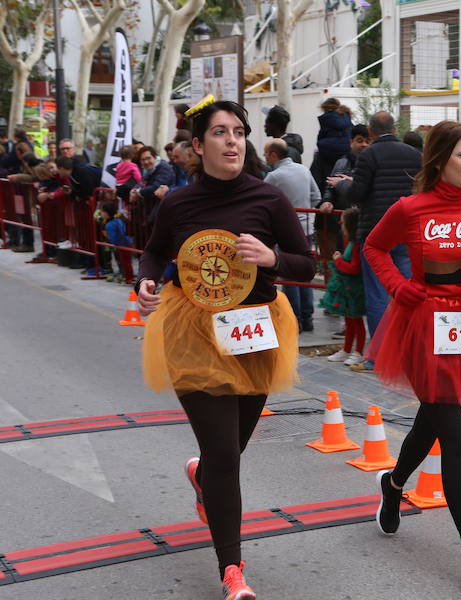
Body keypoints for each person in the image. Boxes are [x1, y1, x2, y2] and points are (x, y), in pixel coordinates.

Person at [135, 99, 316, 599]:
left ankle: (202, 477)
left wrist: (272, 257)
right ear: (198, 145)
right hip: (193, 331)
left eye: (239, 131)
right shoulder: (178, 203)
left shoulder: (268, 199)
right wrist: (145, 281)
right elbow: (152, 251)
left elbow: (308, 264)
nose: (233, 141)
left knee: (226, 452)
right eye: (220, 132)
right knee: (224, 455)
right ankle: (232, 571)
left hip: (255, 331)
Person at [366, 120, 461, 582]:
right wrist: (396, 284)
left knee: (433, 419)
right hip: (422, 326)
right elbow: (374, 246)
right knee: (457, 437)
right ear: (438, 160)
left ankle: (393, 486)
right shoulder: (410, 208)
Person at [347, 111, 422, 371]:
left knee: (378, 294)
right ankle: (411, 348)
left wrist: (344, 186)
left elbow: (357, 193)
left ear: (371, 131)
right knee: (409, 292)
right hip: (409, 232)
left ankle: (379, 356)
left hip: (377, 234)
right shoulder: (415, 155)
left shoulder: (368, 155)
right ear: (394, 127)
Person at [263, 137, 321, 332]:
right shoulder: (304, 170)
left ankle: (294, 317)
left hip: (285, 231)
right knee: (305, 272)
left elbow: (262, 202)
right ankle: (308, 316)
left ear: (273, 154)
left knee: (289, 274)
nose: (264, 158)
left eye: (266, 154)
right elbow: (317, 196)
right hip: (306, 228)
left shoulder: (274, 177)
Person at [317, 123, 371, 266]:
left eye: (367, 141)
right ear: (351, 142)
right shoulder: (341, 163)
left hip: (366, 225)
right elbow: (331, 186)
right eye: (360, 141)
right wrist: (327, 201)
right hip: (344, 225)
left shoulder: (374, 163)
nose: (364, 145)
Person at [319, 207, 366, 364]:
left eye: (343, 222)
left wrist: (338, 260)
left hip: (353, 290)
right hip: (347, 289)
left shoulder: (356, 245)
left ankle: (358, 351)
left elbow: (354, 268)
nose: (340, 224)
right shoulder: (350, 242)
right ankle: (346, 350)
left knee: (356, 321)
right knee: (349, 321)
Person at [310, 97, 352, 193]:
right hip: (345, 160)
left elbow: (321, 137)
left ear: (325, 109)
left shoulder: (326, 120)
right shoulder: (347, 120)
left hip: (325, 158)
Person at [100, 201, 134, 284]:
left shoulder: (109, 225)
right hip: (127, 242)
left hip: (122, 244)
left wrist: (115, 244)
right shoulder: (118, 220)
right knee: (127, 261)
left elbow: (113, 238)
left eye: (103, 211)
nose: (101, 213)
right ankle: (128, 277)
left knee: (125, 262)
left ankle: (129, 278)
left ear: (107, 213)